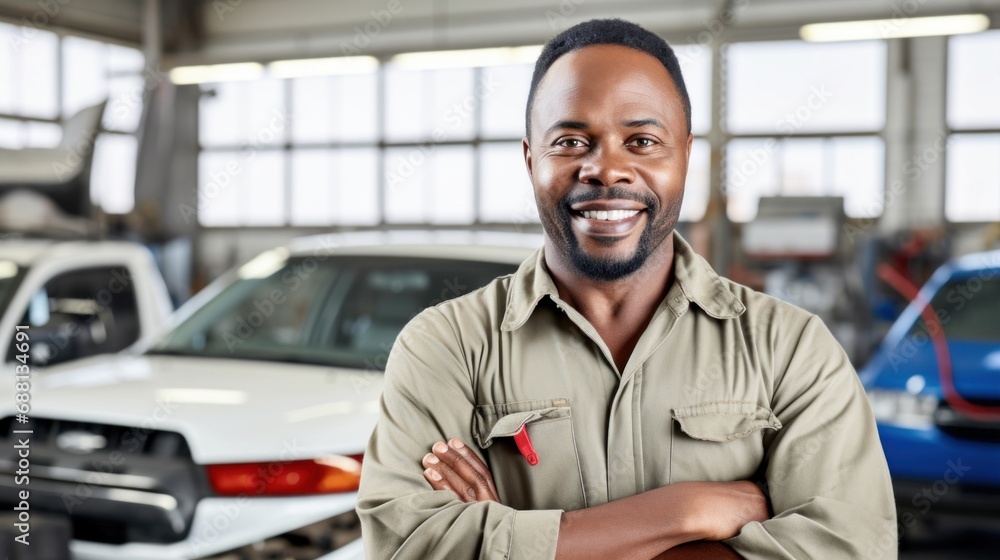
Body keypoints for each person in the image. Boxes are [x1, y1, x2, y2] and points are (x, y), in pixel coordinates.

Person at [357, 18, 897, 559]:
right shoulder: (447, 346)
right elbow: (409, 548)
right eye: (571, 141)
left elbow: (849, 548)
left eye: (642, 141)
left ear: (685, 155)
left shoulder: (790, 348)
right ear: (530, 159)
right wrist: (683, 512)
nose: (607, 169)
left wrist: (510, 541)